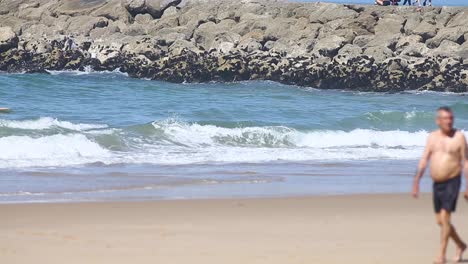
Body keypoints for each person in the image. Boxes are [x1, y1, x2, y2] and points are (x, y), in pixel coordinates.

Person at [412, 106, 468, 264]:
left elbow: (466, 162)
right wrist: (416, 181)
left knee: (444, 217)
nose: (449, 121)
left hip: (453, 180)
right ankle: (461, 244)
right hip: (437, 183)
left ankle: (441, 255)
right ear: (438, 120)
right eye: (445, 118)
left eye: (451, 118)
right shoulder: (432, 138)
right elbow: (424, 159)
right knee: (440, 221)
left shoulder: (459, 137)